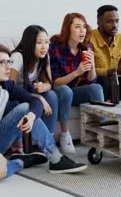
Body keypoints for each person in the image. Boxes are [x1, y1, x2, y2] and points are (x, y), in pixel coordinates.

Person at [0, 44, 87, 181]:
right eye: (3, 62)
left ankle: (56, 158)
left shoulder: (5, 85)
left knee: (25, 108)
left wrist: (31, 116)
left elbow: (34, 102)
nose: (8, 66)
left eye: (9, 61)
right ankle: (21, 162)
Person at [10, 25, 75, 154]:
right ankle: (17, 144)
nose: (44, 46)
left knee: (51, 95)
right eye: (39, 43)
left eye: (46, 42)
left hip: (29, 91)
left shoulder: (45, 56)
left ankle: (47, 142)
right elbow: (10, 88)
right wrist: (39, 98)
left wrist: (43, 86)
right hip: (14, 93)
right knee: (23, 103)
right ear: (29, 43)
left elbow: (50, 83)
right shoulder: (18, 57)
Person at [49, 13, 105, 151]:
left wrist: (92, 65)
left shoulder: (86, 47)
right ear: (68, 29)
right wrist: (77, 72)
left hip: (74, 91)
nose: (82, 31)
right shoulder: (55, 46)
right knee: (65, 90)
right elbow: (55, 82)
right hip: (58, 92)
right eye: (77, 27)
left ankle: (102, 132)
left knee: (96, 88)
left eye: (84, 27)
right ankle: (65, 135)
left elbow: (91, 80)